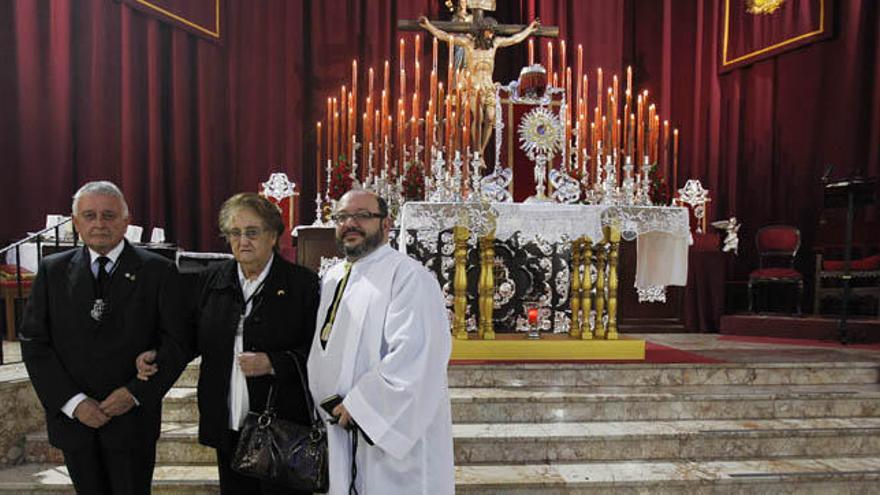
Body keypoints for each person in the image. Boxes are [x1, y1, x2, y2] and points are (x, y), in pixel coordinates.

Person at [136, 192, 320, 495]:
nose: (242, 240)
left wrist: (275, 362)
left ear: (273, 235)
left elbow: (317, 351)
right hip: (228, 417)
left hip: (282, 424)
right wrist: (158, 354)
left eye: (252, 232)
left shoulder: (302, 284)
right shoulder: (212, 279)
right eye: (234, 233)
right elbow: (187, 336)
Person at [20, 180, 186, 494]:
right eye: (90, 215)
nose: (99, 224)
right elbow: (34, 343)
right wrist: (75, 403)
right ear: (75, 223)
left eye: (109, 215)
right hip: (75, 422)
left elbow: (178, 342)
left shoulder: (158, 272)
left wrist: (134, 392)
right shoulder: (52, 271)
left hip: (132, 421)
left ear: (126, 221)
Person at [307, 189, 455, 494]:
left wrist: (362, 407)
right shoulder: (333, 276)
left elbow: (417, 355)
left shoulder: (408, 276)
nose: (351, 223)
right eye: (342, 217)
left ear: (386, 225)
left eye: (362, 216)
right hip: (338, 428)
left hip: (390, 435)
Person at [420, 13, 539, 153]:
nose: (491, 34)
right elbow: (445, 36)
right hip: (473, 88)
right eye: (489, 31)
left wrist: (529, 29)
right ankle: (477, 150)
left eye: (493, 31)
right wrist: (428, 26)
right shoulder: (468, 44)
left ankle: (481, 151)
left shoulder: (494, 44)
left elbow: (515, 39)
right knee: (479, 117)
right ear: (481, 31)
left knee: (490, 117)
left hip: (489, 87)